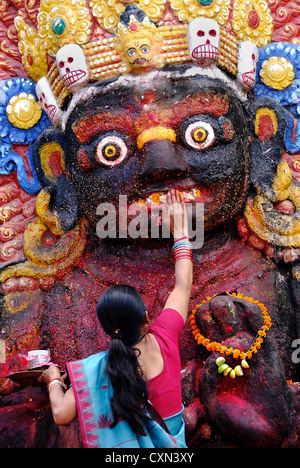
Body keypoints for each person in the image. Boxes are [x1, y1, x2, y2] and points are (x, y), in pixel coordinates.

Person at [38, 188, 193, 448]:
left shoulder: (99, 368)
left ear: (107, 329)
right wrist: (181, 231)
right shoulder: (165, 337)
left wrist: (53, 378)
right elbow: (183, 285)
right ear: (146, 316)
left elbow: (61, 414)